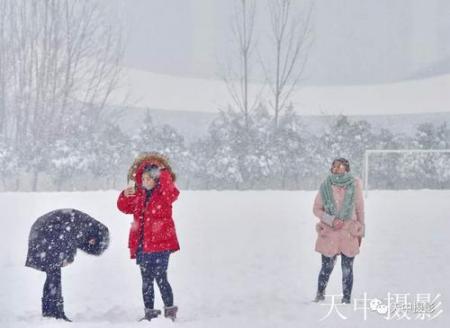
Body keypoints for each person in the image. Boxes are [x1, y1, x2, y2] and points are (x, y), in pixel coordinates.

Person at [117, 154, 180, 321]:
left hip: (160, 246)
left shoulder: (165, 196)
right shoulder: (139, 196)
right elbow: (123, 207)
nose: (145, 181)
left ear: (156, 179)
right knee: (146, 281)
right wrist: (124, 194)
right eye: (143, 178)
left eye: (149, 178)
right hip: (143, 246)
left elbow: (169, 189)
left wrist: (161, 169)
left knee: (161, 278)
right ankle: (149, 313)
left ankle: (170, 312)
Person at [25, 209, 109, 321]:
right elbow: (69, 235)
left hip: (43, 231)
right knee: (54, 275)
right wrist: (68, 257)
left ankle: (51, 312)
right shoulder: (85, 225)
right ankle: (55, 313)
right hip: (47, 232)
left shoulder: (87, 224)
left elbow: (71, 236)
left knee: (53, 275)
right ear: (95, 239)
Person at [312, 158, 365, 304]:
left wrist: (361, 230)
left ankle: (346, 299)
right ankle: (320, 294)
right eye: (334, 167)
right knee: (326, 267)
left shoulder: (355, 185)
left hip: (349, 232)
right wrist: (331, 220)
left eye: (341, 167)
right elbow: (316, 209)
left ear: (347, 169)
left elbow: (360, 208)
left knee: (347, 268)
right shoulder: (325, 186)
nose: (337, 169)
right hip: (330, 233)